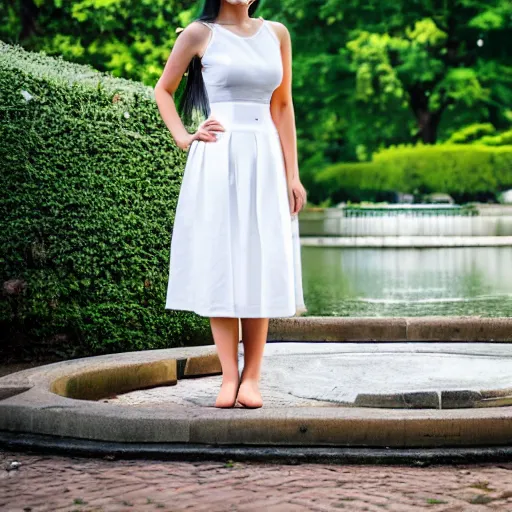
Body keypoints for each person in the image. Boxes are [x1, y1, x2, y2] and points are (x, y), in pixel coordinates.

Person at [154, 0, 307, 409]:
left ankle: (252, 378)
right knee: (221, 261)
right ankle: (228, 377)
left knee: (258, 262)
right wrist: (184, 137)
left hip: (265, 157)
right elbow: (163, 90)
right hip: (218, 158)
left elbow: (282, 104)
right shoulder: (198, 34)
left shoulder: (277, 33)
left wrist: (293, 174)